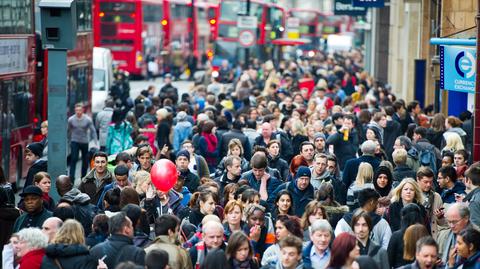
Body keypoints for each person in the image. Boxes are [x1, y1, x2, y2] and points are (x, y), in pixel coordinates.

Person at [68, 103, 98, 180]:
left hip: (84, 141)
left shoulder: (87, 119)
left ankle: (83, 177)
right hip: (75, 141)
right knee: (74, 158)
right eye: (76, 110)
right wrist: (68, 141)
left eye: (80, 110)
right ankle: (71, 178)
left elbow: (93, 130)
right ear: (75, 110)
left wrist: (95, 142)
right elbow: (68, 130)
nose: (78, 112)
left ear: (83, 110)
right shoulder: (71, 119)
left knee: (85, 160)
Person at [416, 167, 445, 240]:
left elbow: (443, 224)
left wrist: (440, 217)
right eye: (425, 182)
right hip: (416, 235)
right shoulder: (412, 195)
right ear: (418, 180)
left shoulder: (436, 196)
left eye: (431, 182)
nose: (429, 185)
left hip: (432, 236)